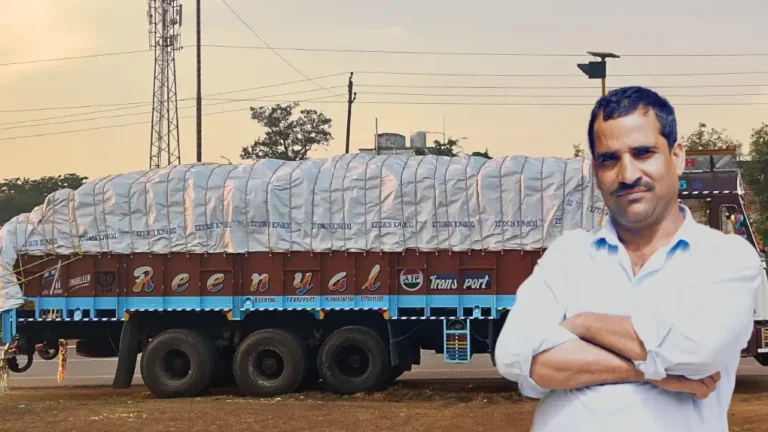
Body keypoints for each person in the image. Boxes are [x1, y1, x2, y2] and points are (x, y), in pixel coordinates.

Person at [494, 86, 763, 431]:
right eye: (609, 159)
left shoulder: (724, 257)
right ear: (596, 170)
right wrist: (652, 371)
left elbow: (697, 353)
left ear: (677, 156)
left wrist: (583, 325)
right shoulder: (567, 255)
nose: (627, 174)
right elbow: (515, 356)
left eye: (643, 152)